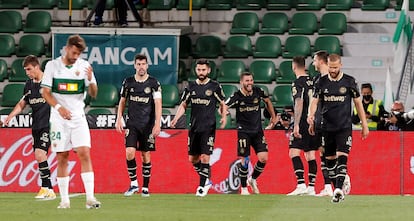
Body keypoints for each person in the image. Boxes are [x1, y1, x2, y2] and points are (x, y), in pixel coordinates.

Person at [41, 34, 101, 209]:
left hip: (78, 117)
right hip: (59, 118)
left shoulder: (84, 67)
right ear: (67, 49)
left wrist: (90, 80)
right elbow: (45, 93)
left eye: (78, 54)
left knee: (84, 153)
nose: (76, 57)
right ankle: (64, 200)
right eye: (74, 53)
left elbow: (94, 94)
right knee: (62, 157)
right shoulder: (52, 66)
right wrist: (59, 108)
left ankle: (90, 198)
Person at [307, 54, 369, 203]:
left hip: (344, 127)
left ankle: (338, 189)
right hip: (326, 128)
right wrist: (311, 116)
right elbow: (314, 102)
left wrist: (364, 124)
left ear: (340, 65)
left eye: (335, 67)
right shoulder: (321, 82)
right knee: (329, 162)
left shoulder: (349, 81)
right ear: (327, 65)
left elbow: (358, 104)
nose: (333, 70)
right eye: (330, 67)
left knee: (342, 158)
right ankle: (339, 185)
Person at [0, 55, 56, 200]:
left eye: (29, 69)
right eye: (25, 70)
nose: (27, 73)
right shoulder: (29, 85)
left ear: (37, 67)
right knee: (39, 156)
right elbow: (22, 104)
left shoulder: (50, 83)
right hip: (36, 125)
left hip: (48, 125)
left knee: (40, 154)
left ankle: (47, 188)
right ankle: (48, 188)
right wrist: (10, 116)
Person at [170, 59, 227, 197]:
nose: (201, 72)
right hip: (194, 127)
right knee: (193, 159)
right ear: (196, 70)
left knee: (205, 156)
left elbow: (222, 103)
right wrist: (176, 118)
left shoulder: (214, 86)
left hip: (208, 127)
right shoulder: (190, 87)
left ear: (209, 70)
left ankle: (202, 186)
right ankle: (206, 178)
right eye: (199, 70)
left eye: (204, 70)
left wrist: (223, 115)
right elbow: (184, 104)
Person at [115, 54, 162, 197]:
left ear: (147, 66)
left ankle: (145, 187)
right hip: (132, 124)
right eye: (138, 64)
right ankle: (134, 183)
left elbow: (158, 103)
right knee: (129, 152)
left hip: (147, 125)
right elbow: (122, 101)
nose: (141, 67)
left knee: (145, 155)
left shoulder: (154, 83)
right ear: (135, 65)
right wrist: (119, 118)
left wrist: (157, 123)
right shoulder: (128, 82)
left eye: (143, 64)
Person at [225, 72, 277, 195]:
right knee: (245, 159)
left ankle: (252, 179)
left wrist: (273, 117)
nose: (250, 83)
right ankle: (243, 188)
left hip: (258, 131)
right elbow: (223, 106)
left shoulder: (258, 91)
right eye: (247, 81)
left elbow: (268, 101)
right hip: (244, 132)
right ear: (241, 82)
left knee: (263, 158)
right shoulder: (236, 96)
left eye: (251, 80)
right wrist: (225, 112)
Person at [286, 56, 318, 196]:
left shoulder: (297, 82)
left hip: (304, 120)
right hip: (315, 121)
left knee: (294, 152)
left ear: (294, 66)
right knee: (310, 154)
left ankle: (300, 184)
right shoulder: (314, 81)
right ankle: (311, 187)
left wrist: (296, 124)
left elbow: (298, 102)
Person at [311, 51, 333, 197]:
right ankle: (327, 186)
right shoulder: (317, 79)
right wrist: (311, 117)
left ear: (321, 61)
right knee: (322, 152)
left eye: (314, 60)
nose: (313, 63)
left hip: (331, 122)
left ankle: (342, 178)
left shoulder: (333, 78)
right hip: (319, 121)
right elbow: (314, 101)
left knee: (331, 154)